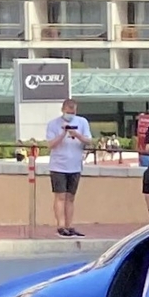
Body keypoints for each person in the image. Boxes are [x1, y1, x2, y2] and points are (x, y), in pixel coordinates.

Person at [44, 94, 93, 237]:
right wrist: (63, 133)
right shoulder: (53, 124)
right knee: (60, 196)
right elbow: (51, 144)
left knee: (70, 197)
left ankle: (69, 225)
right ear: (62, 110)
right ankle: (60, 225)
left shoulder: (82, 122)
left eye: (73, 112)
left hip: (75, 165)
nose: (70, 115)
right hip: (58, 165)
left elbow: (88, 141)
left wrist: (75, 134)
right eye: (68, 112)